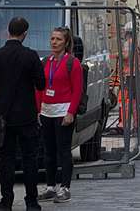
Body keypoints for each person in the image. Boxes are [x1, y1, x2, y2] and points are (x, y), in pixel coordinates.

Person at [0, 17, 46, 211]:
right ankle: (32, 201)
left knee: (6, 160)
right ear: (25, 34)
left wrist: (1, 85)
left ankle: (6, 200)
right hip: (27, 115)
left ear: (7, 32)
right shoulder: (31, 56)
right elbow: (41, 84)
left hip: (5, 115)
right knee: (30, 159)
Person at [36, 27, 84, 204]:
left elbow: (77, 90)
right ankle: (50, 186)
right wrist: (38, 109)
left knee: (63, 150)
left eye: (58, 39)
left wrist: (71, 112)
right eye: (52, 39)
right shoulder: (45, 62)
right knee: (48, 151)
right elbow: (39, 87)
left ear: (66, 42)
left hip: (63, 111)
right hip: (46, 111)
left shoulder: (73, 63)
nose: (54, 42)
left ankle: (65, 187)